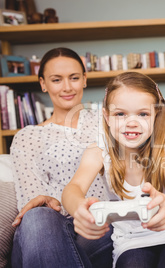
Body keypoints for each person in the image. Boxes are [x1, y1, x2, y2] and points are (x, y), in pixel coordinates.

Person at [61, 72, 165, 268]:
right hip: (131, 240)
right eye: (120, 114)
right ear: (107, 117)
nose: (131, 122)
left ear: (156, 115)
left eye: (143, 114)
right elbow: (72, 188)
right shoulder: (99, 151)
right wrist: (78, 208)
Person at [10, 47, 114, 267]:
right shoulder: (27, 137)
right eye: (56, 80)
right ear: (43, 84)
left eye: (74, 78)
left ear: (84, 79)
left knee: (103, 223)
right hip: (47, 229)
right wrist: (54, 203)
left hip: (97, 226)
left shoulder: (107, 122)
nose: (67, 87)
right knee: (38, 217)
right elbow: (33, 202)